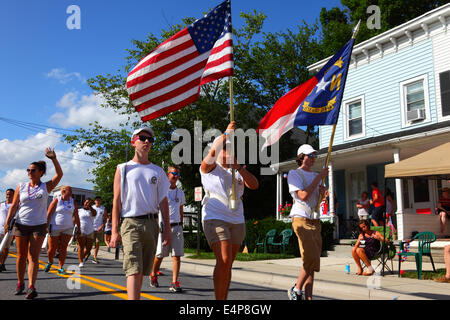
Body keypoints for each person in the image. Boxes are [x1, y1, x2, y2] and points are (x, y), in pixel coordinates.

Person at [109, 127, 171, 300]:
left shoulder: (158, 171)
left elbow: (163, 201)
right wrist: (114, 231)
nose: (146, 142)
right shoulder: (123, 168)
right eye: (142, 138)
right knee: (134, 269)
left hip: (152, 224)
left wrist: (167, 229)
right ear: (133, 142)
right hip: (131, 223)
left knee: (143, 270)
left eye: (150, 140)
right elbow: (117, 201)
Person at [200, 121, 259, 300]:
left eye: (231, 148)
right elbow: (212, 153)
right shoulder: (209, 168)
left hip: (236, 219)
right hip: (215, 216)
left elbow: (254, 185)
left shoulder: (238, 170)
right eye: (225, 148)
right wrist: (226, 134)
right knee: (224, 260)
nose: (228, 152)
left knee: (228, 264)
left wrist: (239, 167)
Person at [4, 148, 63, 299]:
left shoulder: (46, 186)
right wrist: (7, 221)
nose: (29, 172)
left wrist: (54, 159)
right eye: (28, 170)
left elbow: (59, 175)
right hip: (21, 224)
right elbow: (15, 205)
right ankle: (20, 282)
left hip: (39, 225)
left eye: (33, 170)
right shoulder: (21, 186)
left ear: (41, 172)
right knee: (21, 256)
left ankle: (31, 286)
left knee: (33, 257)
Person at [287, 144, 328, 301]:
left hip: (314, 219)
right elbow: (303, 195)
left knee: (313, 263)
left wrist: (322, 194)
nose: (313, 158)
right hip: (301, 217)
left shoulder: (317, 175)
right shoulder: (294, 174)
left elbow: (316, 199)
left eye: (314, 156)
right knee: (310, 257)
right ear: (301, 157)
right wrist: (319, 177)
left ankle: (308, 297)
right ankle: (296, 289)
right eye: (310, 155)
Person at [149, 165, 186, 293]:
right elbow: (155, 209)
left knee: (177, 255)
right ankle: (153, 273)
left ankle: (174, 282)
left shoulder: (180, 193)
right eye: (173, 174)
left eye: (178, 175)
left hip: (177, 227)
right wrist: (156, 225)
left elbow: (180, 210)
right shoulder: (160, 191)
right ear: (167, 174)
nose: (176, 177)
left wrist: (181, 224)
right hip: (163, 227)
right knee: (160, 255)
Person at [45, 186, 80, 275]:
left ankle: (60, 267)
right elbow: (49, 213)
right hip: (55, 227)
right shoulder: (57, 200)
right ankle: (50, 261)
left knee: (63, 248)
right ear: (63, 191)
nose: (71, 192)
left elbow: (76, 215)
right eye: (70, 190)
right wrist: (46, 226)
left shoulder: (73, 201)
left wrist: (78, 227)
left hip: (68, 228)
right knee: (52, 249)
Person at [77, 198, 97, 268]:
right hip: (81, 230)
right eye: (86, 202)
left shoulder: (92, 211)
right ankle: (81, 262)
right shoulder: (79, 210)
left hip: (90, 230)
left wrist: (90, 207)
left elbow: (94, 214)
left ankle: (82, 257)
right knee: (81, 246)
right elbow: (75, 219)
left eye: (89, 203)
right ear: (83, 203)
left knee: (89, 248)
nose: (87, 203)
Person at [0, 189, 15, 272]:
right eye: (7, 194)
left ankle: (2, 263)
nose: (8, 196)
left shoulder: (15, 205)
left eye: (10, 194)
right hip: (0, 229)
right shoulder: (1, 205)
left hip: (10, 230)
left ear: (13, 195)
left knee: (6, 248)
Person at [91, 196, 107, 264]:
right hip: (91, 228)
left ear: (101, 201)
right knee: (89, 243)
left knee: (97, 243)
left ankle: (95, 257)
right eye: (97, 200)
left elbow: (105, 219)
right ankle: (86, 254)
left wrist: (102, 226)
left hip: (99, 228)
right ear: (94, 201)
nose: (98, 201)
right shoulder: (91, 207)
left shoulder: (103, 209)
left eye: (99, 200)